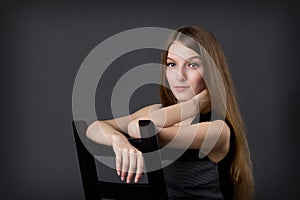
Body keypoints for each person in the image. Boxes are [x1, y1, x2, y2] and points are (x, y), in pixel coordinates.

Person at [86, 25, 254, 200]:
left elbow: (139, 129)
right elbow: (93, 128)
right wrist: (118, 140)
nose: (179, 75)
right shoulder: (156, 111)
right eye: (172, 64)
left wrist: (195, 106)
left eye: (192, 64)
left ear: (211, 72)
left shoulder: (217, 130)